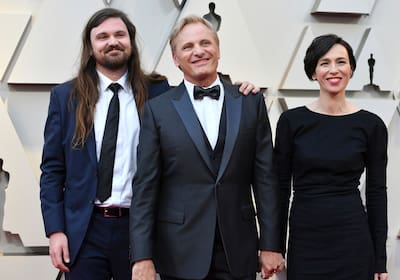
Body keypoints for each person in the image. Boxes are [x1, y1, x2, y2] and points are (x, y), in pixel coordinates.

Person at [39, 8, 260, 280]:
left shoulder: (158, 91)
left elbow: (199, 93)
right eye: (103, 36)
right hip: (84, 230)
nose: (112, 41)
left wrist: (237, 88)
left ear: (131, 42)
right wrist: (55, 230)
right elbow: (52, 171)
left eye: (120, 34)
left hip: (142, 228)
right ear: (91, 45)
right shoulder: (65, 97)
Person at [130, 15, 283, 280]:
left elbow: (266, 180)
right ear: (175, 59)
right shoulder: (158, 110)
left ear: (218, 50)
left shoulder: (250, 103)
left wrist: (271, 244)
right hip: (179, 251)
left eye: (205, 43)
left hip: (238, 249)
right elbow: (145, 187)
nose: (198, 51)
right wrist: (142, 256)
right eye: (187, 47)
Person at [273, 34, 388, 280]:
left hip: (353, 240)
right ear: (313, 72)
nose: (333, 70)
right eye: (324, 63)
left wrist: (380, 260)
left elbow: (377, 193)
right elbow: (280, 189)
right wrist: (275, 247)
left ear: (351, 69)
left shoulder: (371, 125)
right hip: (306, 239)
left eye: (341, 62)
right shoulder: (291, 122)